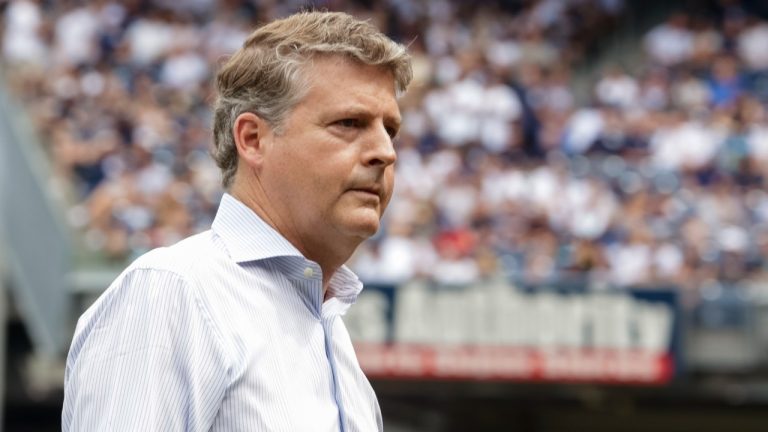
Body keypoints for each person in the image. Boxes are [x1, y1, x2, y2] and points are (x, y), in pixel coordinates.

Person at [62, 11, 412, 431]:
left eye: (389, 130)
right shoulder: (174, 293)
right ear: (252, 139)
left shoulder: (332, 337)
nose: (385, 152)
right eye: (349, 123)